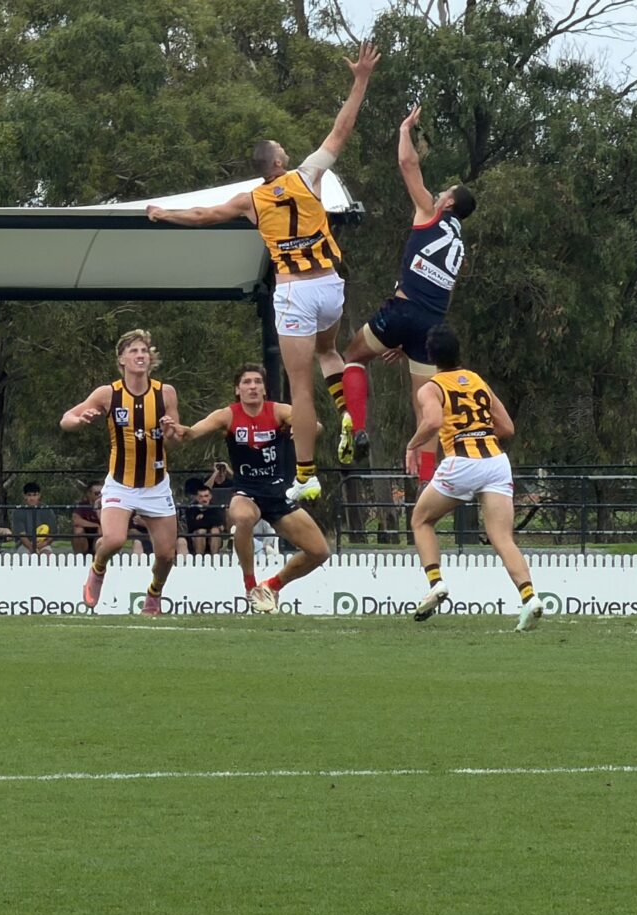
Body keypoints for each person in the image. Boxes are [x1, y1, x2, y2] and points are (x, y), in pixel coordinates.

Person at [146, 42, 380, 504]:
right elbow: (342, 128)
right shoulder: (308, 175)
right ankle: (350, 415)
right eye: (282, 150)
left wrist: (163, 213)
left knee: (299, 387)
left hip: (293, 293)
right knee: (329, 351)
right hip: (330, 284)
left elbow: (203, 215)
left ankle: (306, 475)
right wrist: (361, 79)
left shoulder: (249, 201)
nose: (288, 151)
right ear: (277, 162)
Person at [335, 104, 475, 477]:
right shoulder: (459, 244)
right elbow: (442, 288)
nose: (438, 193)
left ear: (448, 202)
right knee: (426, 409)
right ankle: (428, 486)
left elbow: (408, 164)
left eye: (443, 191)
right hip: (431, 325)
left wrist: (404, 131)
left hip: (404, 310)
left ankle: (358, 429)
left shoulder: (431, 211)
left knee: (353, 356)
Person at [403, 326, 543, 632]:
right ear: (458, 353)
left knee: (421, 520)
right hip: (496, 462)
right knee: (502, 537)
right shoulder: (477, 381)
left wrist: (412, 445)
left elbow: (433, 422)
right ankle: (530, 598)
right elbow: (507, 428)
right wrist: (479, 433)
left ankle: (436, 583)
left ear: (431, 357)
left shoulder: (430, 388)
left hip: (462, 462)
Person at [170, 364, 331, 611]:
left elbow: (315, 426)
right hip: (247, 492)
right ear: (238, 389)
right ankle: (250, 585)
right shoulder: (228, 415)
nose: (253, 387)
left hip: (278, 493)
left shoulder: (278, 411)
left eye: (258, 382)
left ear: (265, 389)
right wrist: (181, 430)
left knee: (320, 552)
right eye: (246, 382)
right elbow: (192, 433)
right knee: (243, 517)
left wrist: (304, 429)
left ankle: (271, 586)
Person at [59, 329, 181, 614]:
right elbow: (66, 419)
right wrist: (80, 421)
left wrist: (170, 432)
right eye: (134, 351)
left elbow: (176, 441)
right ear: (122, 359)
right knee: (114, 540)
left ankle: (154, 594)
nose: (140, 355)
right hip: (121, 483)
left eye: (144, 351)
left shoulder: (165, 393)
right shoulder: (108, 393)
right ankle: (98, 569)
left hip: (156, 484)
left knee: (166, 555)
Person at [178, 477, 225, 556]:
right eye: (201, 496)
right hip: (196, 539)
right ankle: (199, 558)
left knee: (215, 530)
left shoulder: (216, 507)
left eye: (206, 496)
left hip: (212, 538)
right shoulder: (191, 508)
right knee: (201, 531)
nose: (204, 499)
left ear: (210, 496)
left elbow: (219, 522)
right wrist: (210, 521)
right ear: (197, 497)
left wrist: (203, 518)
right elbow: (192, 526)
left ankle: (215, 558)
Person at [9, 482, 54, 553]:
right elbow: (22, 535)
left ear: (39, 495)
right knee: (26, 556)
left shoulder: (47, 510)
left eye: (35, 495)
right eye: (29, 495)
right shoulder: (18, 511)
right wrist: (32, 548)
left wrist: (42, 545)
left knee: (47, 555)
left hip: (43, 544)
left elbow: (52, 534)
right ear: (24, 496)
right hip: (23, 545)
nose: (32, 498)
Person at [69, 481, 102, 554]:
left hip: (99, 535)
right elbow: (76, 520)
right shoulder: (82, 505)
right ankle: (80, 556)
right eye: (97, 493)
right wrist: (96, 525)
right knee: (78, 530)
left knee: (103, 529)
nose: (100, 496)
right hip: (85, 537)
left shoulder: (107, 506)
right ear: (89, 494)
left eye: (102, 493)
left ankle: (100, 555)